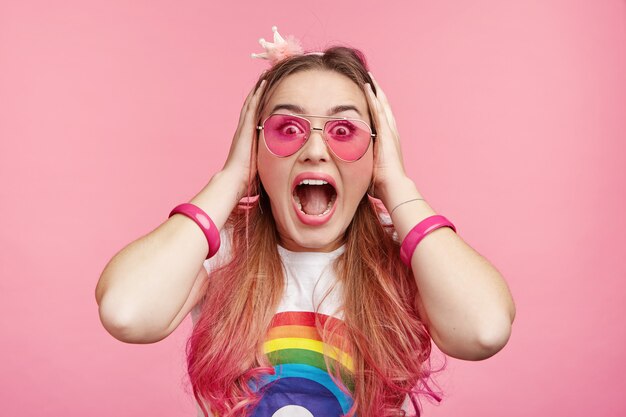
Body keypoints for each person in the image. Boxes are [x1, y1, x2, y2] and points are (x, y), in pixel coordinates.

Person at [96, 26, 515, 417]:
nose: (315, 149)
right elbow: (126, 312)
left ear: (376, 151)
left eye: (343, 130)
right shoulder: (221, 250)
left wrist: (397, 184)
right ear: (255, 147)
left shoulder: (404, 256)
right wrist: (229, 180)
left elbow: (484, 330)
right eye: (288, 128)